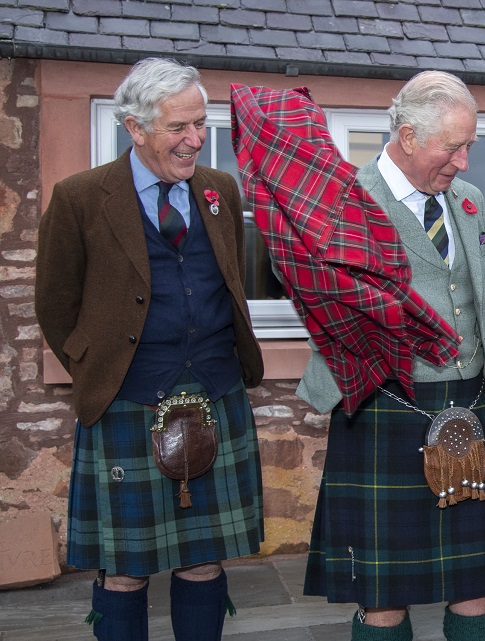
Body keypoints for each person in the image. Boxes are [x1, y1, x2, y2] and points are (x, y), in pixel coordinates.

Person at [297, 70, 485, 641]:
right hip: (385, 406)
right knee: (384, 594)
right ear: (408, 137)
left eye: (469, 146)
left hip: (467, 404)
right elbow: (323, 312)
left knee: (474, 582)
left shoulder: (469, 201)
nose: (464, 162)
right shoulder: (345, 205)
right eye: (453, 147)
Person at [35, 58, 264, 641]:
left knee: (205, 557)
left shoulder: (219, 191)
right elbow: (55, 308)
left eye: (200, 125)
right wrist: (104, 372)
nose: (195, 140)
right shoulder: (81, 198)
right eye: (178, 128)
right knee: (125, 569)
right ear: (135, 128)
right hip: (126, 402)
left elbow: (231, 278)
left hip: (216, 392)